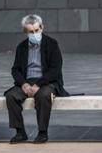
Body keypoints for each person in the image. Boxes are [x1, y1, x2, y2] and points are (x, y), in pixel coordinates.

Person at [4, 14, 68, 144]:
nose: (34, 34)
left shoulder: (51, 44)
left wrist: (38, 84)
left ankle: (42, 132)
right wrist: (24, 84)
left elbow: (55, 70)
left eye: (36, 30)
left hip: (47, 82)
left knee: (43, 96)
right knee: (11, 96)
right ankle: (20, 132)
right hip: (27, 82)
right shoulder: (21, 47)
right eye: (31, 32)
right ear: (25, 32)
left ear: (42, 28)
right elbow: (15, 69)